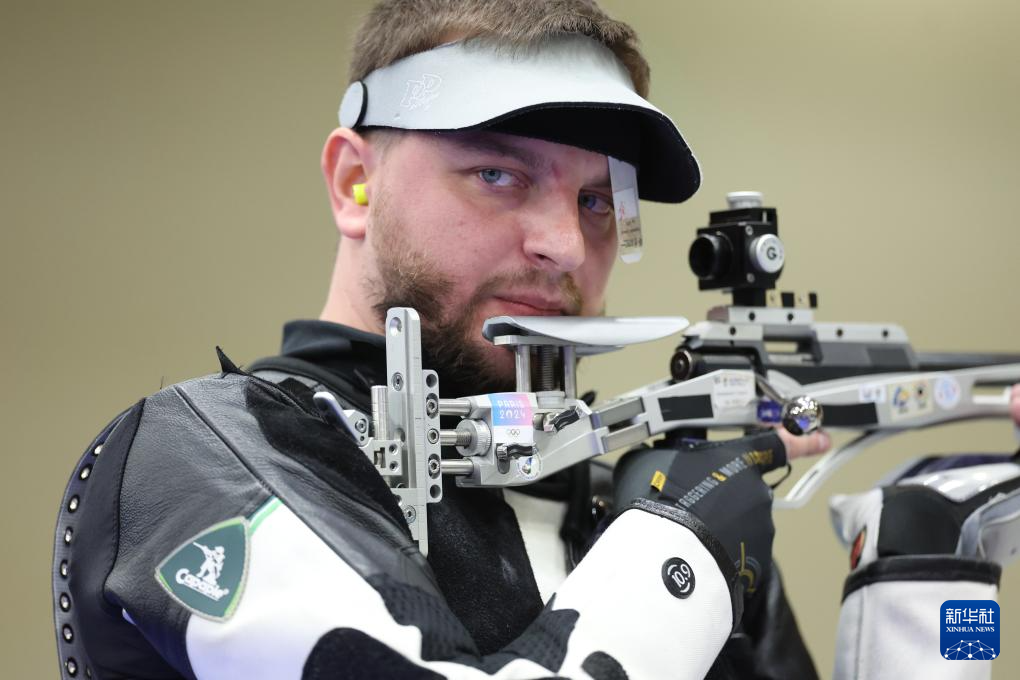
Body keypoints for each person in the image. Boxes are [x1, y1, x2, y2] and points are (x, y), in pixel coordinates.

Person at [51, 2, 1020, 679]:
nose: (564, 242)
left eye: (597, 199)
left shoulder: (625, 502)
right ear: (354, 183)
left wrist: (924, 581)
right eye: (498, 175)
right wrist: (676, 552)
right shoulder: (198, 457)